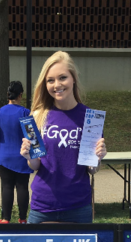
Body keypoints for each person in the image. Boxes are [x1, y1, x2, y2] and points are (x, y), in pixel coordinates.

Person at [20, 51, 107, 224]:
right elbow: (36, 165)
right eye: (50, 80)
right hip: (42, 206)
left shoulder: (91, 119)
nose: (56, 85)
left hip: (78, 207)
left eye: (62, 78)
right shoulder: (36, 116)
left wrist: (97, 158)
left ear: (73, 78)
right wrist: (29, 156)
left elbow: (91, 169)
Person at [0, 81, 32, 224]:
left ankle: (5, 218)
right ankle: (22, 218)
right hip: (21, 156)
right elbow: (32, 136)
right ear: (20, 95)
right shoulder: (25, 113)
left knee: (6, 186)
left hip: (3, 155)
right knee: (22, 187)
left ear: (8, 95)